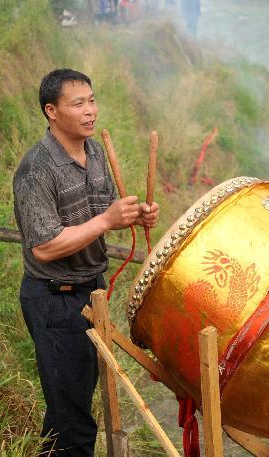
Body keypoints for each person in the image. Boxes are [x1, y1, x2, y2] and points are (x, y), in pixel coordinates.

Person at [13, 68, 159, 457]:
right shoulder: (37, 170)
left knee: (70, 405)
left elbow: (103, 212)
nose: (90, 110)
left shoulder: (94, 152)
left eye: (92, 100)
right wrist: (106, 220)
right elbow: (43, 248)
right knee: (74, 420)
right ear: (52, 111)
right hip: (54, 300)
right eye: (78, 103)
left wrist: (133, 214)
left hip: (90, 293)